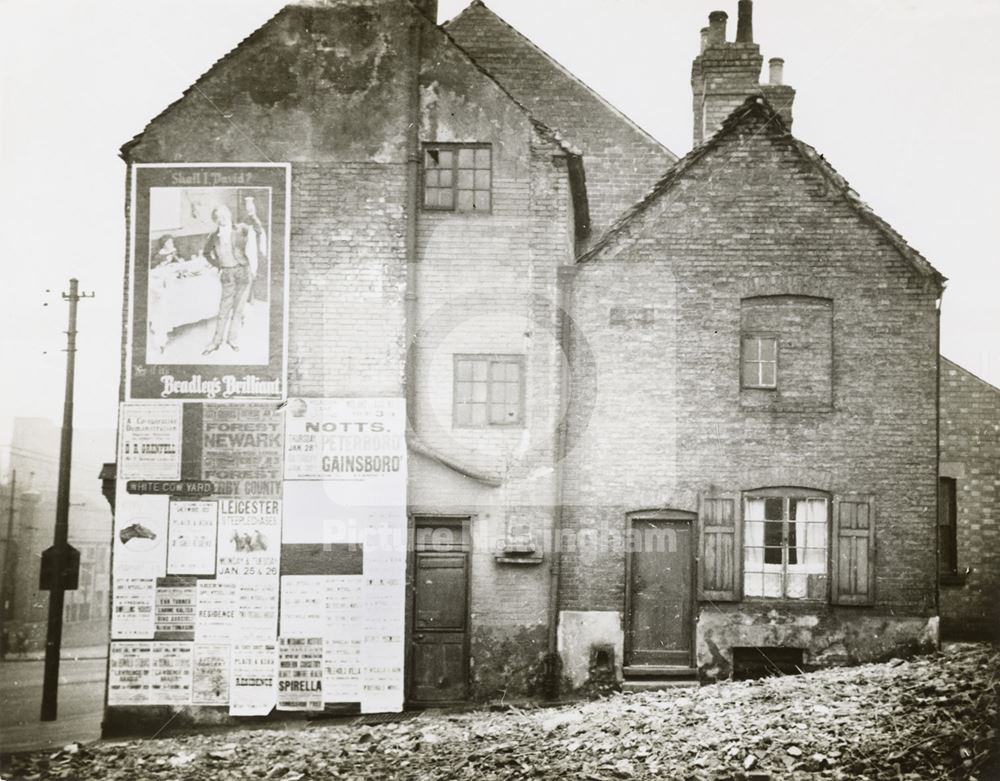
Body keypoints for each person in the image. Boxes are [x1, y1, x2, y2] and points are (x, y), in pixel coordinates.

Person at [201, 199, 265, 355]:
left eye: (224, 215)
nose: (222, 219)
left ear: (229, 215)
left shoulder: (241, 228)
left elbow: (258, 230)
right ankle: (215, 342)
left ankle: (232, 339)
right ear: (215, 220)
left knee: (238, 309)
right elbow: (206, 253)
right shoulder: (213, 236)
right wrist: (218, 265)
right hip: (227, 275)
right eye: (218, 217)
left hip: (243, 272)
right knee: (223, 311)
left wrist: (253, 215)